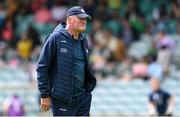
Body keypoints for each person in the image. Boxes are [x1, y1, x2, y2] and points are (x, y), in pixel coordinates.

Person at [36, 6, 96, 116]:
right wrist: (44, 95)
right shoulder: (55, 38)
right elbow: (42, 67)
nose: (84, 21)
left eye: (85, 19)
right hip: (62, 99)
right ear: (69, 20)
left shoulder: (84, 40)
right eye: (81, 18)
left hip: (82, 99)